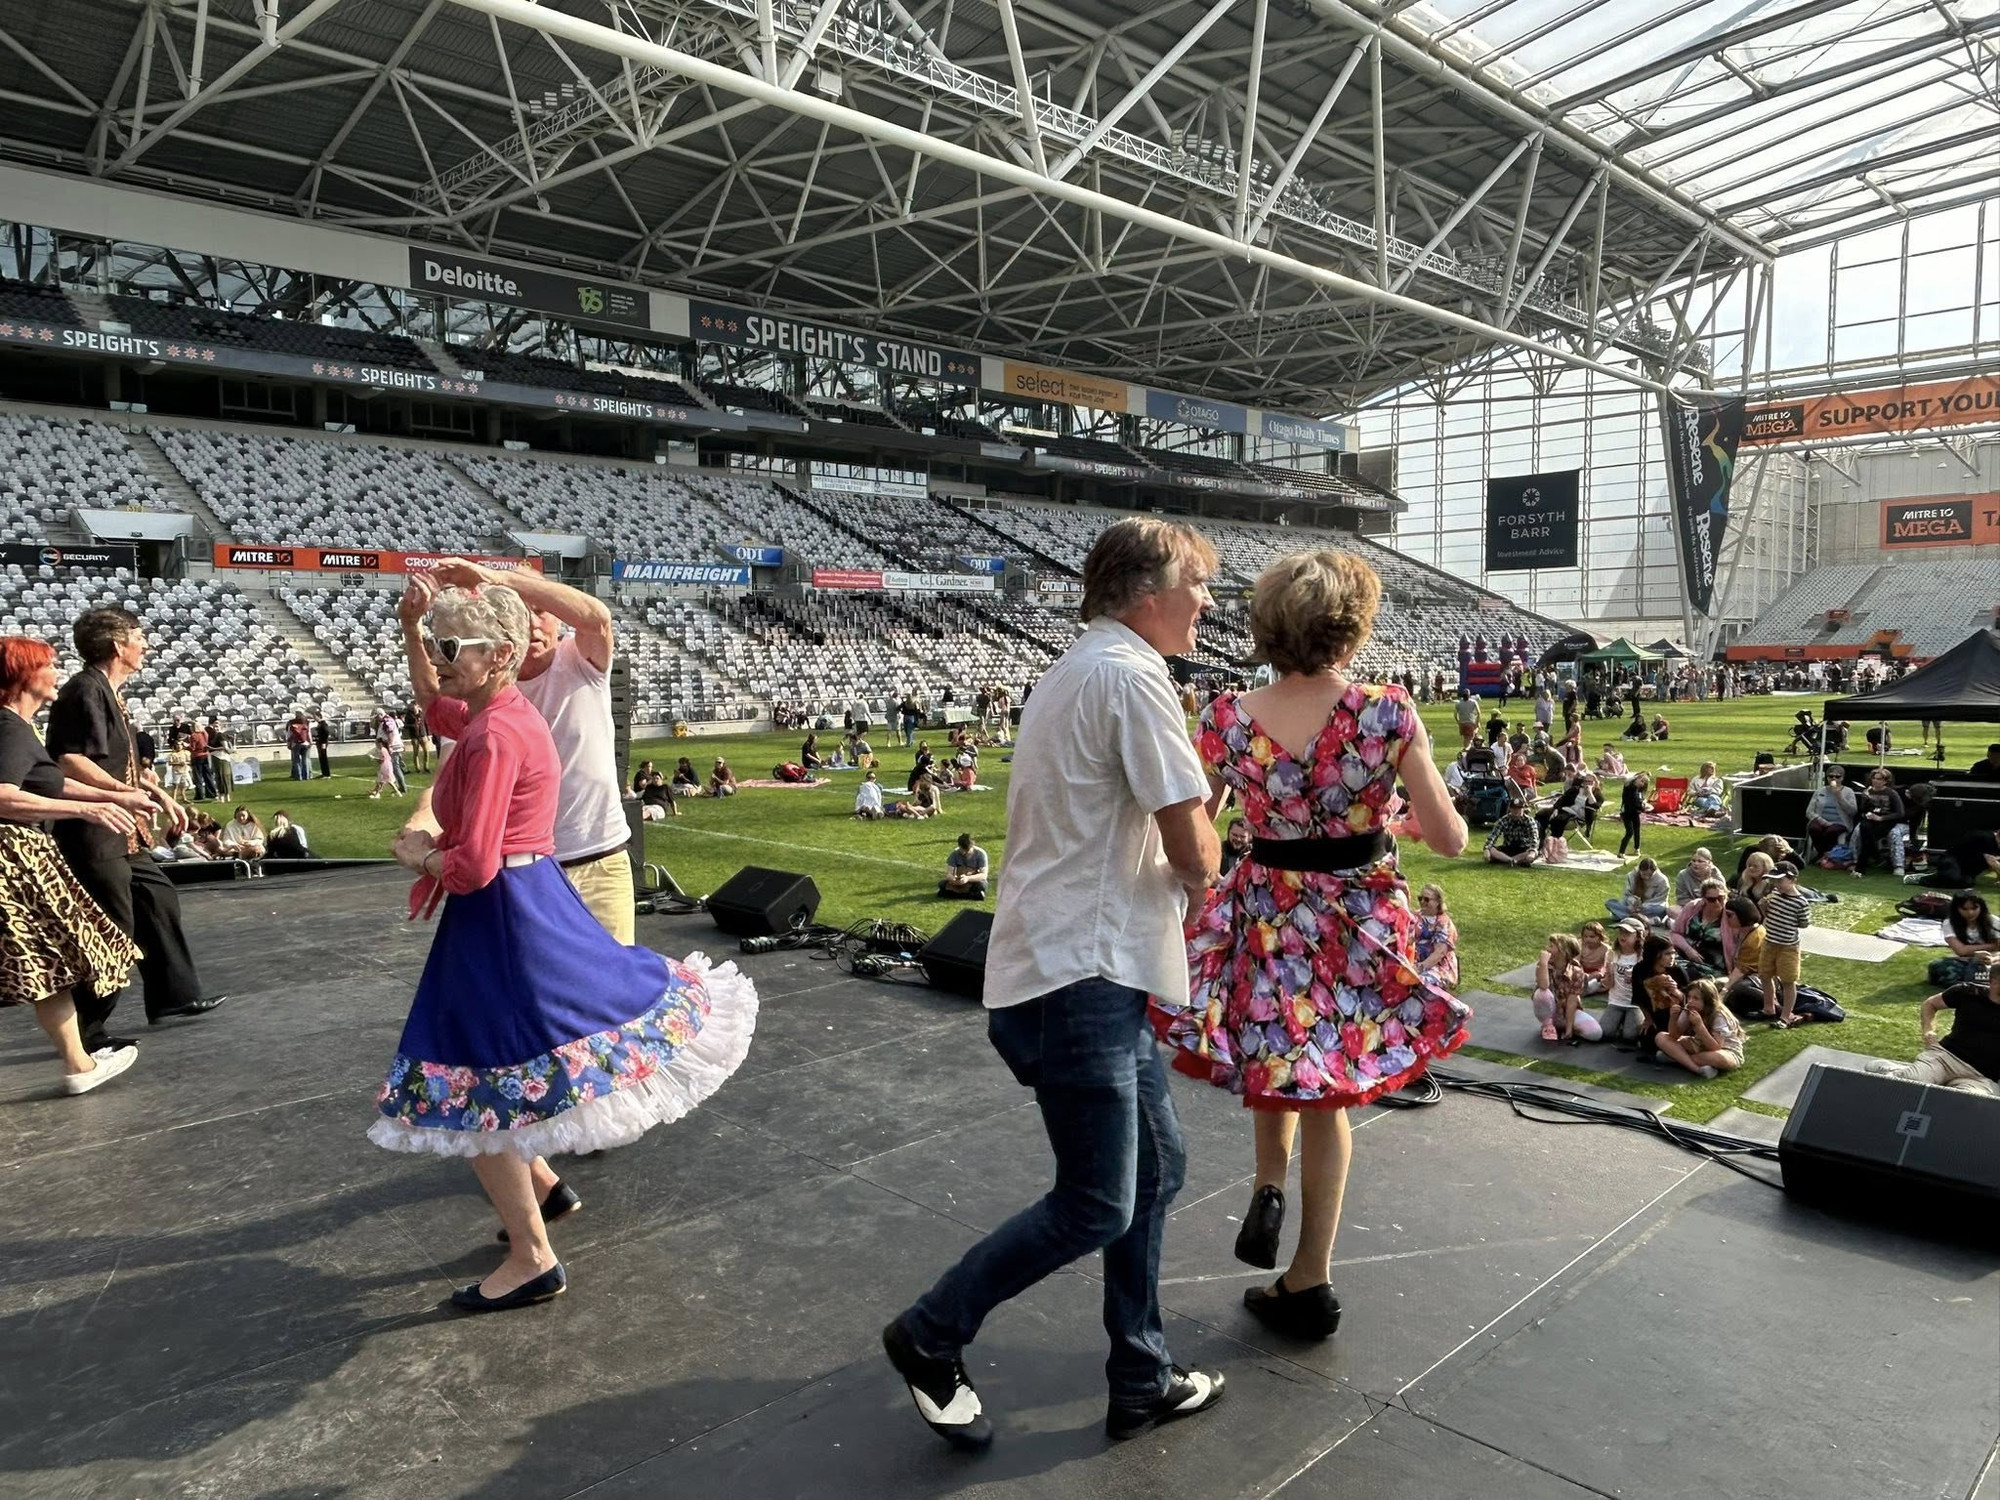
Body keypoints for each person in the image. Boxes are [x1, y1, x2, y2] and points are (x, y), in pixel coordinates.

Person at [885, 517, 1227, 1450]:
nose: (1206, 602)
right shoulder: (1133, 677)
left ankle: (1141, 1375)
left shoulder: (1079, 668)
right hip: (1083, 972)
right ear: (1146, 592)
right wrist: (1212, 856)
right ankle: (930, 1333)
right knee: (1098, 1200)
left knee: (1155, 1172)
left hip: (1070, 965)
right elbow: (1195, 847)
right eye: (1196, 584)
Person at [373, 583, 757, 1313]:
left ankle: (531, 1257)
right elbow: (433, 704)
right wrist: (413, 631)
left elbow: (473, 865)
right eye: (440, 645)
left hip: (501, 917)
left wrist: (417, 850)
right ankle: (543, 1191)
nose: (442, 659)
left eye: (452, 646)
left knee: (476, 1090)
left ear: (499, 656)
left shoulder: (494, 733)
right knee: (493, 1075)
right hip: (521, 903)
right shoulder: (500, 712)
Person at [1153, 548, 1470, 1344]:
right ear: (1351, 629)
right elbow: (1450, 839)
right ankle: (1309, 1278)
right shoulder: (1386, 711)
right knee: (1329, 1092)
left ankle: (1269, 1183)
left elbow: (1197, 835)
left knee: (1275, 1054)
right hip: (1359, 921)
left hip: (1269, 910)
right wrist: (1391, 814)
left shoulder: (1225, 717)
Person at [403, 560, 635, 944]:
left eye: (541, 610)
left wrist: (497, 579)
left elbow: (596, 619)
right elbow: (442, 747)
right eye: (521, 613)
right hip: (524, 873)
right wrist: (418, 827)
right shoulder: (480, 699)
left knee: (609, 978)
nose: (533, 624)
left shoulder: (578, 662)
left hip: (595, 860)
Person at [46, 608, 226, 1048]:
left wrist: (159, 794)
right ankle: (88, 1031)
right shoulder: (85, 690)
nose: (145, 645)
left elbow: (119, 764)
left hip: (124, 829)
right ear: (117, 645)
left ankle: (173, 997)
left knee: (157, 898)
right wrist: (120, 794)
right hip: (94, 829)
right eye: (138, 637)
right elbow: (69, 760)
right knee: (112, 925)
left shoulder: (110, 692)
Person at [0, 635, 149, 1094]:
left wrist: (116, 796)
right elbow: (3, 796)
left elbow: (50, 783)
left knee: (48, 964)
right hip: (10, 862)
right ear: (24, 675)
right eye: (48, 664)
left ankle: (79, 1064)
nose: (57, 672)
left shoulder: (19, 727)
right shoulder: (7, 728)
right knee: (48, 960)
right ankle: (79, 1063)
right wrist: (86, 810)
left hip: (23, 858)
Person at [1872, 966, 2000, 1095]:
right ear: (1993, 981)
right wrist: (1929, 1031)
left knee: (1963, 1100)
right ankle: (1897, 1072)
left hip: (1981, 1076)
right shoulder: (1968, 992)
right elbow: (1930, 1004)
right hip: (1945, 1058)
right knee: (1910, 1083)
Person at [1653, 979, 1743, 1078]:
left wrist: (1699, 1026)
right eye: (1689, 997)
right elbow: (1674, 1036)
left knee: (1716, 1058)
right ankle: (1697, 1069)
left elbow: (1715, 1047)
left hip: (1725, 1050)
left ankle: (1675, 1058)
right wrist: (1673, 1018)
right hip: (1698, 1044)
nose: (1690, 1001)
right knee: (1661, 1037)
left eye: (1696, 998)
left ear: (1707, 1000)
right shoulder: (1689, 1008)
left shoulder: (1719, 1015)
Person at [1760, 864, 1812, 1027]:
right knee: (1765, 975)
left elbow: (1804, 923)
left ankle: (1786, 1015)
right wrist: (1764, 908)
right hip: (1769, 942)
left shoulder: (1800, 902)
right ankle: (1768, 1008)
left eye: (1780, 881)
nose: (1776, 885)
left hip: (1787, 947)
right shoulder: (1774, 894)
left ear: (1792, 880)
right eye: (1774, 881)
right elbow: (1768, 915)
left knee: (1788, 981)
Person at [1534, 931, 1592, 1043]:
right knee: (1542, 993)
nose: (1547, 948)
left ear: (1563, 952)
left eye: (1551, 946)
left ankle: (1564, 1027)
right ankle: (1548, 1025)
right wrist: (1543, 964)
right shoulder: (1544, 965)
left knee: (1594, 1033)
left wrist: (1569, 1028)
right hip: (1549, 1010)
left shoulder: (1576, 971)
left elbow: (1572, 1001)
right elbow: (1543, 985)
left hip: (1566, 1012)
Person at [1934, 891, 1999, 986]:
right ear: (1957, 909)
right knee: (1937, 966)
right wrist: (1992, 946)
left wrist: (1992, 959)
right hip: (1966, 960)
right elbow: (1961, 951)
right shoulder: (1949, 923)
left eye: (1974, 908)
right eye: (1964, 909)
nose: (1970, 913)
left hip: (1994, 959)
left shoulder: (1994, 922)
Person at [1599, 918, 1648, 1043]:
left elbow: (1648, 984)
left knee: (1630, 1037)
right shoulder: (1611, 954)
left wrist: (1636, 976)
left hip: (1636, 1004)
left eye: (1627, 933)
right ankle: (1620, 1020)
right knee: (1604, 1033)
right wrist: (1607, 976)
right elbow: (1609, 984)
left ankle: (1627, 1022)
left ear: (1638, 936)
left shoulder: (1644, 956)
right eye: (1621, 932)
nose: (1622, 936)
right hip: (1616, 1001)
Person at [1852, 767, 1906, 876]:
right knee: (1863, 829)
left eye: (1879, 779)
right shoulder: (1867, 792)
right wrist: (1867, 811)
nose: (1875, 781)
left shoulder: (1891, 793)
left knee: (1870, 833)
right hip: (1871, 819)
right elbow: (1862, 810)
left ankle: (1862, 865)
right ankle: (1873, 856)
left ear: (1885, 781)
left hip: (1887, 820)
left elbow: (1900, 813)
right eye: (1874, 778)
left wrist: (1881, 818)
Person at [1668, 879, 1731, 969]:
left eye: (1721, 898)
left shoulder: (1730, 916)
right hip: (1683, 954)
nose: (1717, 902)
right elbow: (1675, 933)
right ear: (1704, 899)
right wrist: (1688, 949)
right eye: (1711, 899)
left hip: (1711, 964)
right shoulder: (1692, 907)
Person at [1806, 767, 1857, 862]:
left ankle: (1824, 855)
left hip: (1840, 822)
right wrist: (1820, 820)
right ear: (1827, 778)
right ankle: (1822, 854)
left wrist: (1839, 797)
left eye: (1837, 777)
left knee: (1831, 831)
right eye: (1831, 776)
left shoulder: (1848, 792)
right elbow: (1809, 811)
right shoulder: (1820, 791)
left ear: (1842, 778)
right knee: (1814, 828)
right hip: (1821, 820)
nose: (1834, 779)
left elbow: (1852, 811)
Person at [1414, 883, 1459, 991]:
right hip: (1415, 961)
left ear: (1437, 902)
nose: (1422, 902)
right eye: (1420, 898)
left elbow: (1440, 953)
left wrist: (1420, 967)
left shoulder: (1443, 923)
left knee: (1420, 981)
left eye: (1426, 899)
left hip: (1438, 966)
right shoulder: (1416, 916)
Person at [1484, 791, 1541, 866]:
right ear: (1510, 809)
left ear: (1523, 809)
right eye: (1514, 809)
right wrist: (1487, 848)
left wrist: (1532, 852)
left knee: (1533, 853)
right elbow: (1492, 837)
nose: (1516, 811)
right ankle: (1511, 860)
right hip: (1508, 848)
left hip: (1524, 849)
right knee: (1491, 850)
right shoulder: (1503, 820)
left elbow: (1534, 840)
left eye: (1519, 809)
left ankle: (1509, 860)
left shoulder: (1529, 821)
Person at [1607, 857, 1670, 923]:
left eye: (1650, 875)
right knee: (1609, 903)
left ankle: (1626, 916)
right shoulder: (1632, 875)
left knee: (1661, 910)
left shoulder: (1662, 880)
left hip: (1650, 907)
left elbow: (1660, 900)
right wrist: (1633, 903)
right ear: (1640, 871)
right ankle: (1645, 920)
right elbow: (1627, 894)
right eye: (1644, 874)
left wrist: (1642, 906)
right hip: (1633, 905)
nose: (1647, 877)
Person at [938, 832, 989, 899]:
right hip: (959, 880)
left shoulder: (980, 854)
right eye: (962, 850)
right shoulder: (954, 854)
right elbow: (949, 873)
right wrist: (953, 879)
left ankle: (953, 894)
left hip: (973, 880)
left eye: (967, 851)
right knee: (942, 884)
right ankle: (972, 895)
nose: (964, 853)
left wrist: (968, 878)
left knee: (981, 885)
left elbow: (983, 875)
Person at [1616, 771, 1652, 857]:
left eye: (1644, 783)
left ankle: (1637, 849)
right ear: (1637, 778)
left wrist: (1643, 803)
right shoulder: (1629, 787)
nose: (1642, 784)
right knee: (1630, 832)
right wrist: (1643, 807)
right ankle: (1621, 852)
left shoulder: (1639, 790)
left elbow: (1639, 800)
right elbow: (1633, 802)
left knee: (1637, 831)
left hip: (1635, 813)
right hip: (1626, 813)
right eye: (1641, 781)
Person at [1577, 920, 1611, 995]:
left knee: (1598, 975)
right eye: (1585, 936)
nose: (1588, 939)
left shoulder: (1605, 949)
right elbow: (1576, 961)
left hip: (1596, 971)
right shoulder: (1580, 945)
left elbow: (1607, 966)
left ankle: (1588, 985)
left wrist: (1602, 974)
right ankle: (1582, 983)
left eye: (1592, 937)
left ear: (1600, 937)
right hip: (1582, 969)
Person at [367, 736, 402, 800]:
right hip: (387, 765)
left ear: (380, 743)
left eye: (376, 743)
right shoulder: (384, 749)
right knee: (388, 781)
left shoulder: (382, 750)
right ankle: (398, 792)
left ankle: (377, 794)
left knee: (381, 781)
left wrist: (373, 758)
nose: (376, 745)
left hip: (385, 766)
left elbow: (382, 760)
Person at [188, 718, 213, 801]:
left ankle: (200, 795)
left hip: (197, 756)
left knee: (198, 777)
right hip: (205, 755)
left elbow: (193, 748)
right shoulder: (204, 733)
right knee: (207, 775)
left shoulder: (194, 735)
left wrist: (185, 746)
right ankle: (211, 793)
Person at [286, 712, 313, 781]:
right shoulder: (306, 723)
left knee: (297, 761)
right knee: (305, 760)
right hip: (305, 743)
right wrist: (310, 742)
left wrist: (288, 743)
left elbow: (289, 734)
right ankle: (306, 776)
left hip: (295, 744)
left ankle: (298, 776)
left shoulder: (292, 724)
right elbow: (309, 733)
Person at [404, 702, 428, 774]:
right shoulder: (408, 715)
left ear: (417, 706)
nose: (413, 708)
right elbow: (405, 725)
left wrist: (427, 734)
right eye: (412, 707)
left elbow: (425, 723)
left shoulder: (422, 714)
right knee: (416, 753)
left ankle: (426, 767)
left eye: (414, 707)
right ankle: (417, 768)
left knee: (426, 752)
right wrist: (413, 725)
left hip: (423, 734)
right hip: (414, 736)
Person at [313, 713, 332, 778]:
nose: (314, 718)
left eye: (315, 717)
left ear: (319, 716)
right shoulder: (320, 724)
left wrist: (324, 742)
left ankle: (327, 774)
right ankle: (324, 773)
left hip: (322, 743)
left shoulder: (323, 724)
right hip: (320, 742)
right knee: (321, 758)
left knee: (324, 757)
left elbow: (326, 733)